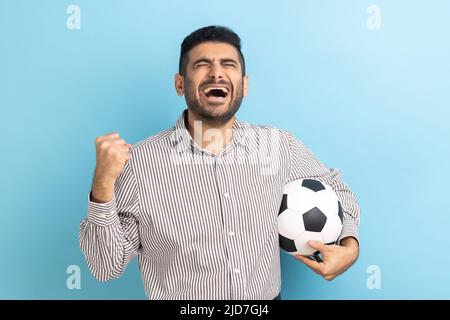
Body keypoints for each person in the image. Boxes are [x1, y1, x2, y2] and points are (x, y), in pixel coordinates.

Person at [79, 25, 360, 300]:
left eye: (229, 64)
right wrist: (102, 186)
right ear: (180, 84)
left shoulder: (278, 146)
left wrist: (349, 246)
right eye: (202, 64)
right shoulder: (138, 163)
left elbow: (336, 189)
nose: (217, 73)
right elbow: (106, 267)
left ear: (244, 85)